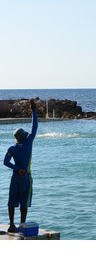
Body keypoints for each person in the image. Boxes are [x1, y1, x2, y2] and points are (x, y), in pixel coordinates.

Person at [3, 99, 38, 233]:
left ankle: (11, 225)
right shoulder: (28, 142)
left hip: (15, 177)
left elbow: (5, 162)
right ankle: (22, 225)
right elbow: (35, 127)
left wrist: (17, 169)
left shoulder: (12, 148)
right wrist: (33, 110)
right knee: (24, 203)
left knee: (11, 202)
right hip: (26, 178)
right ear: (24, 136)